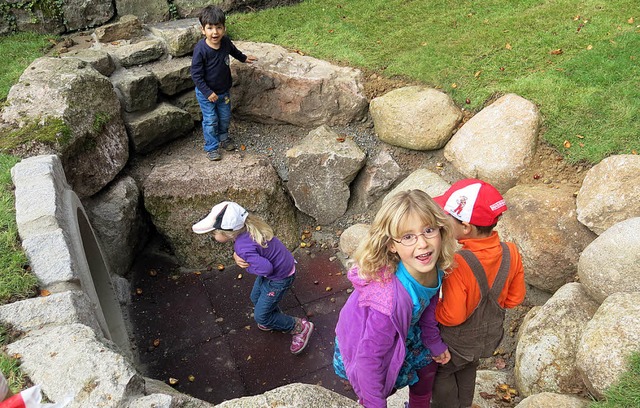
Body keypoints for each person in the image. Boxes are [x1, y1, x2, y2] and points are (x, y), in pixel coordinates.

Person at [333, 189, 458, 408]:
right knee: (380, 383)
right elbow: (368, 360)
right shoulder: (388, 303)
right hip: (365, 339)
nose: (422, 244)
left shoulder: (433, 266)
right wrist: (374, 403)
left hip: (403, 325)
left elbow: (428, 304)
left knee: (427, 367)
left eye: (428, 230)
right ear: (392, 245)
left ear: (441, 230)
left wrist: (433, 341)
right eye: (408, 237)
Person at [431, 179, 526, 408]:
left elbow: (453, 316)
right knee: (468, 368)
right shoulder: (510, 252)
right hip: (486, 339)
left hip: (456, 342)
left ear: (465, 227)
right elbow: (515, 299)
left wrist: (433, 309)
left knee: (442, 373)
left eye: (447, 218)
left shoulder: (458, 263)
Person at [192, 201, 314, 354]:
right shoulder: (250, 226)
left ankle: (299, 327)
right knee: (255, 297)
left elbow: (265, 268)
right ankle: (273, 317)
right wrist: (239, 256)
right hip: (284, 266)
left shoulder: (241, 247)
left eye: (214, 232)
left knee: (261, 317)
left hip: (279, 278)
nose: (213, 235)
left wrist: (245, 264)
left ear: (228, 233)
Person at [191, 5, 257, 162]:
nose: (215, 32)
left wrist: (244, 58)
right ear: (203, 30)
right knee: (211, 119)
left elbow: (233, 51)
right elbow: (196, 74)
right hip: (207, 94)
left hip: (223, 92)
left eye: (219, 27)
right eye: (210, 28)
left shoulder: (225, 42)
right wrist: (207, 92)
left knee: (225, 117)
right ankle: (212, 147)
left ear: (224, 28)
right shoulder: (201, 50)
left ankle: (224, 137)